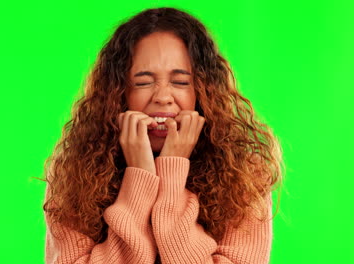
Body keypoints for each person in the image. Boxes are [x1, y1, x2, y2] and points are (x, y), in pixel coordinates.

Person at [41, 6, 284, 264]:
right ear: (118, 93)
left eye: (180, 82)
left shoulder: (246, 174)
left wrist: (172, 171)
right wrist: (140, 176)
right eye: (143, 82)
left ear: (202, 92)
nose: (163, 98)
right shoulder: (73, 174)